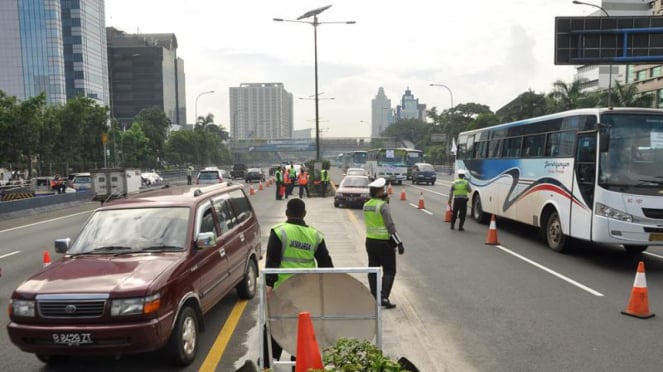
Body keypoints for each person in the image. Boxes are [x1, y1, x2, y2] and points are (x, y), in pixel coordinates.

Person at [263, 198, 334, 369]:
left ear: (286, 213)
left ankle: (267, 364)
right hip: (306, 291)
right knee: (303, 328)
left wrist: (269, 285)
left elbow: (272, 261)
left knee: (276, 327)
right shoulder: (315, 235)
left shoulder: (279, 232)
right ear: (304, 214)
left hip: (283, 291)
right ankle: (300, 365)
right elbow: (326, 265)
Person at [362, 177, 404, 309]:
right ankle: (384, 297)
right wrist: (399, 243)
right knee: (390, 270)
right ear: (379, 192)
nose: (385, 191)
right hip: (384, 244)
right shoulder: (383, 206)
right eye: (383, 190)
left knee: (373, 269)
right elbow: (390, 225)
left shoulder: (366, 205)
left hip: (370, 241)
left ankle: (374, 297)